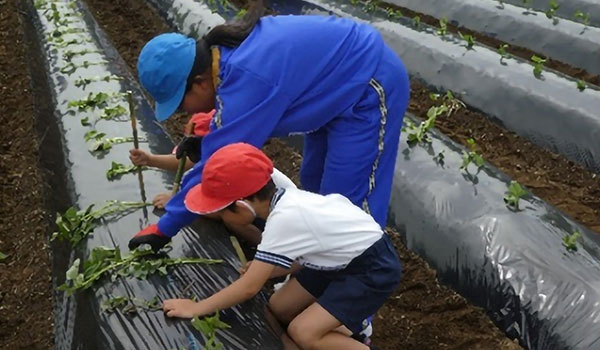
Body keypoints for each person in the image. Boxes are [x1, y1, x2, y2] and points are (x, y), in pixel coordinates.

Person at [130, 1, 410, 251]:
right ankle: (315, 266)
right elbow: (229, 128)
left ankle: (353, 298)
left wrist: (163, 228)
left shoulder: (247, 74)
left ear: (200, 82)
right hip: (330, 89)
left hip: (367, 84)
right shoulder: (223, 59)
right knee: (314, 183)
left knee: (348, 208)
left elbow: (217, 162)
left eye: (181, 103)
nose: (185, 111)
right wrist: (206, 144)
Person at [162, 143, 401, 350]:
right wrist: (268, 268)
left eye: (222, 213)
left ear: (242, 205)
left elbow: (249, 288)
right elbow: (307, 252)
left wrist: (196, 308)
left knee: (302, 332)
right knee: (279, 307)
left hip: (370, 269)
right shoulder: (277, 197)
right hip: (337, 258)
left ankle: (356, 340)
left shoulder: (284, 218)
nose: (221, 218)